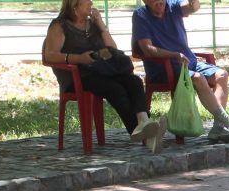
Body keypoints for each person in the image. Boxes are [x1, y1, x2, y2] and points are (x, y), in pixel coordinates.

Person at [44, 0, 166, 153]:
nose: (91, 2)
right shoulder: (60, 25)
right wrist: (78, 58)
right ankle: (141, 132)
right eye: (87, 1)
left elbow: (112, 49)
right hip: (78, 76)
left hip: (102, 70)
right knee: (115, 89)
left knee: (134, 81)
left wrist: (101, 26)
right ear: (75, 5)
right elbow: (50, 55)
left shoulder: (93, 24)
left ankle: (144, 122)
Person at [132, 0, 229, 144]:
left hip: (189, 63)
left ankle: (218, 128)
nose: (160, 1)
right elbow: (147, 49)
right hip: (163, 68)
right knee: (198, 78)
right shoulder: (140, 15)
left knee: (221, 75)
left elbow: (191, 8)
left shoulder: (172, 6)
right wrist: (174, 55)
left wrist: (193, 2)